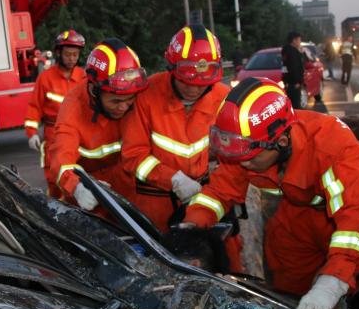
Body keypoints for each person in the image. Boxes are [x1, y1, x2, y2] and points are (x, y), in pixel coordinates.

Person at [183, 77, 359, 309]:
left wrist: (332, 283)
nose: (242, 164)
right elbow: (218, 192)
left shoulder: (333, 147)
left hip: (351, 221)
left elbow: (354, 220)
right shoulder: (250, 146)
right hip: (296, 218)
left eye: (249, 158)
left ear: (280, 142)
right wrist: (190, 229)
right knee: (286, 294)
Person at [120, 25, 230, 233]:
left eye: (201, 83)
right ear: (171, 69)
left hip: (204, 196)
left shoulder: (223, 98)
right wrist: (173, 180)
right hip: (154, 202)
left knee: (225, 254)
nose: (194, 89)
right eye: (186, 81)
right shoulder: (148, 95)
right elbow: (133, 155)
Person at [50, 38, 148, 212]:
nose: (123, 107)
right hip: (89, 198)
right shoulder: (73, 108)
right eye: (116, 101)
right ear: (94, 91)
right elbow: (61, 158)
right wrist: (76, 187)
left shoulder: (136, 95)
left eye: (130, 99)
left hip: (128, 193)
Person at [25, 29, 86, 198]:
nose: (72, 58)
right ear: (58, 53)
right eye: (67, 54)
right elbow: (34, 106)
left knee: (81, 177)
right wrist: (32, 133)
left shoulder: (84, 77)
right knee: (55, 178)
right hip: (54, 135)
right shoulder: (45, 78)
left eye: (75, 55)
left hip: (80, 135)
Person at [281, 31, 304, 109]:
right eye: (299, 40)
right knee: (296, 106)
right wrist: (298, 81)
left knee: (290, 106)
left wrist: (285, 80)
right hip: (294, 84)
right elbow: (294, 67)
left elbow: (284, 68)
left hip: (288, 83)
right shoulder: (293, 52)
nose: (300, 42)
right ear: (294, 40)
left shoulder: (285, 51)